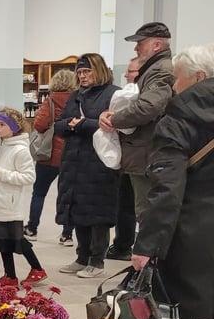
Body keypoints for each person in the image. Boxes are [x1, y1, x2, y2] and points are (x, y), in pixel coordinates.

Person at [131, 43, 214, 319]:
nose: (173, 88)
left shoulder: (181, 115)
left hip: (192, 239)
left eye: (177, 80)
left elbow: (167, 189)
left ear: (197, 79)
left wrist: (146, 245)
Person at [100, 21, 176, 218]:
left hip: (147, 154)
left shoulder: (160, 70)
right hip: (144, 154)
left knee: (148, 215)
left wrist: (115, 120)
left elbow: (148, 106)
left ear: (157, 45)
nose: (136, 47)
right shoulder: (155, 68)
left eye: (140, 43)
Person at [55, 53, 120, 278]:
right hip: (74, 162)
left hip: (99, 163)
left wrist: (82, 124)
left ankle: (97, 260)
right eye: (80, 72)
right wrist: (73, 126)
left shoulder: (113, 94)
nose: (82, 76)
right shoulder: (75, 96)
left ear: (98, 70)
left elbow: (113, 125)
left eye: (86, 71)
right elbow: (60, 125)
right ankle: (82, 257)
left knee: (98, 213)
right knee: (78, 211)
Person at [0, 107, 47, 287]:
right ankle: (10, 275)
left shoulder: (20, 150)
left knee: (16, 240)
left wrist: (1, 174)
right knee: (3, 241)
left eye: (2, 124)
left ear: (13, 127)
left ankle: (37, 268)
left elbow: (28, 177)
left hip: (11, 204)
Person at [25, 69, 77, 245]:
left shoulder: (50, 101)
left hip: (49, 154)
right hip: (71, 154)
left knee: (39, 192)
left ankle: (32, 228)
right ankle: (67, 234)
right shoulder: (79, 99)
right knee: (68, 194)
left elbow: (39, 125)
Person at [106, 57, 144, 260]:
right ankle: (122, 244)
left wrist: (112, 119)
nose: (127, 76)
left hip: (139, 161)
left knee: (136, 208)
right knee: (125, 205)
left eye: (131, 72)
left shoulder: (144, 97)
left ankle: (133, 249)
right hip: (126, 159)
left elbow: (131, 120)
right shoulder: (125, 94)